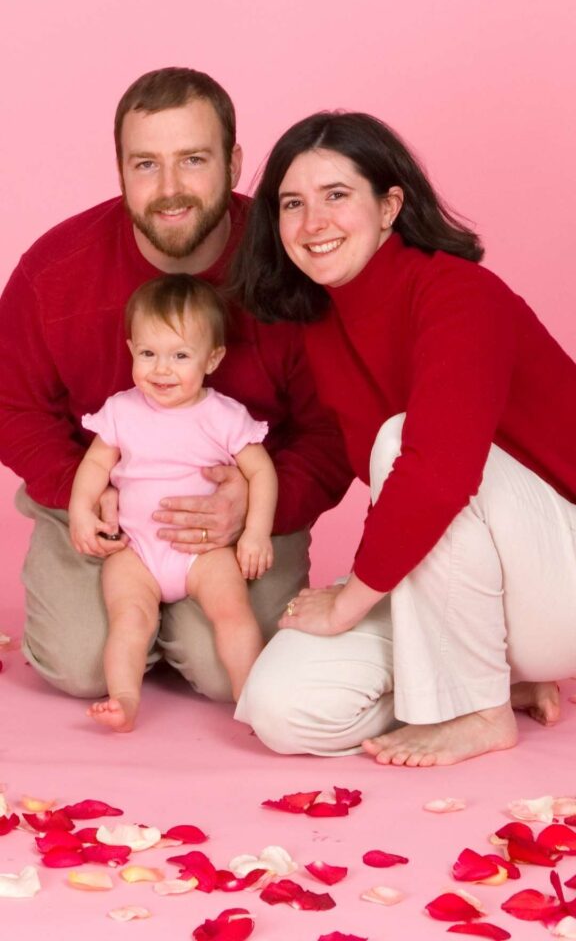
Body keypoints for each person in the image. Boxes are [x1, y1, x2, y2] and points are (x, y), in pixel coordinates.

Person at [231, 110, 576, 766]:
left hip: (563, 567)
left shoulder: (460, 294)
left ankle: (478, 712)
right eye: (292, 204)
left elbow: (437, 473)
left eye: (337, 196)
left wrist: (349, 601)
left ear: (391, 205)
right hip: (476, 581)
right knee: (282, 707)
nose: (312, 224)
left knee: (404, 443)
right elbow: (333, 457)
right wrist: (245, 503)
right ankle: (489, 675)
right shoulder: (321, 327)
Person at [0, 69, 352, 702]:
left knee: (230, 675)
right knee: (79, 668)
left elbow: (333, 428)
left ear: (234, 161)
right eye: (145, 164)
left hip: (239, 519)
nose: (169, 190)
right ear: (120, 170)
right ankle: (135, 622)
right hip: (102, 506)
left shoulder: (292, 265)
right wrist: (84, 489)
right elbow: (10, 404)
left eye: (193, 160)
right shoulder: (55, 270)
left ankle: (175, 632)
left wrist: (255, 508)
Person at [70, 275, 277, 731]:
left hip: (202, 553)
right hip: (137, 550)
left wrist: (256, 532)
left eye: (180, 355)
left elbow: (261, 471)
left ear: (213, 358)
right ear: (131, 350)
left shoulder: (222, 416)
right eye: (148, 354)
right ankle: (124, 699)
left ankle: (253, 697)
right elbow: (95, 466)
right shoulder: (122, 410)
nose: (161, 370)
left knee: (233, 613)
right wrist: (81, 511)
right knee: (130, 618)